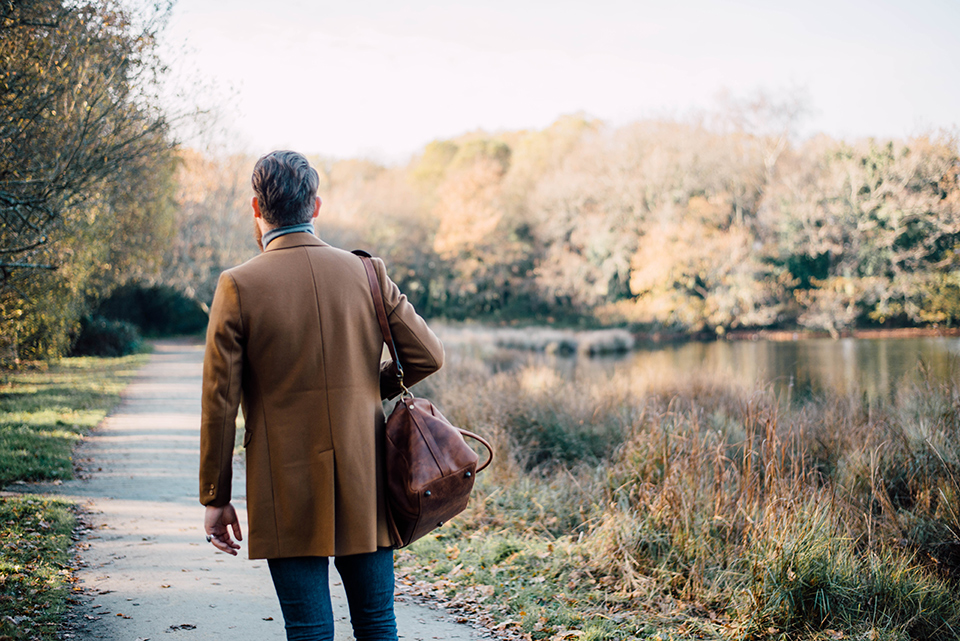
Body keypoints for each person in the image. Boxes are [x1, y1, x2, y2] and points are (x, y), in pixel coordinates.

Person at [198, 150, 444, 641]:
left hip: (282, 480)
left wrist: (216, 496)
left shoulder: (237, 286)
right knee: (377, 623)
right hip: (365, 473)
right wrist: (361, 390)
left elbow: (219, 404)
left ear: (256, 208)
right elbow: (427, 355)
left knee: (308, 630)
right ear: (315, 206)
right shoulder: (367, 272)